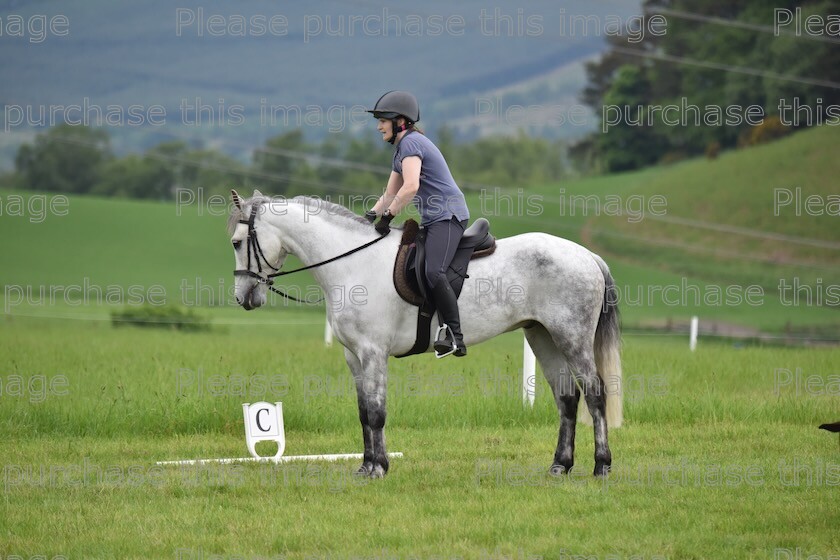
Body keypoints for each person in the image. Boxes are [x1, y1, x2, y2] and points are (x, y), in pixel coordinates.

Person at [365, 90, 470, 357]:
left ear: (400, 121)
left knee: (434, 271)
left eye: (382, 121)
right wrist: (369, 216)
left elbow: (411, 186)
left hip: (448, 216)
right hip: (434, 219)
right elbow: (389, 193)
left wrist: (388, 217)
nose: (378, 127)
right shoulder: (402, 149)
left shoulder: (411, 144)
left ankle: (455, 336)